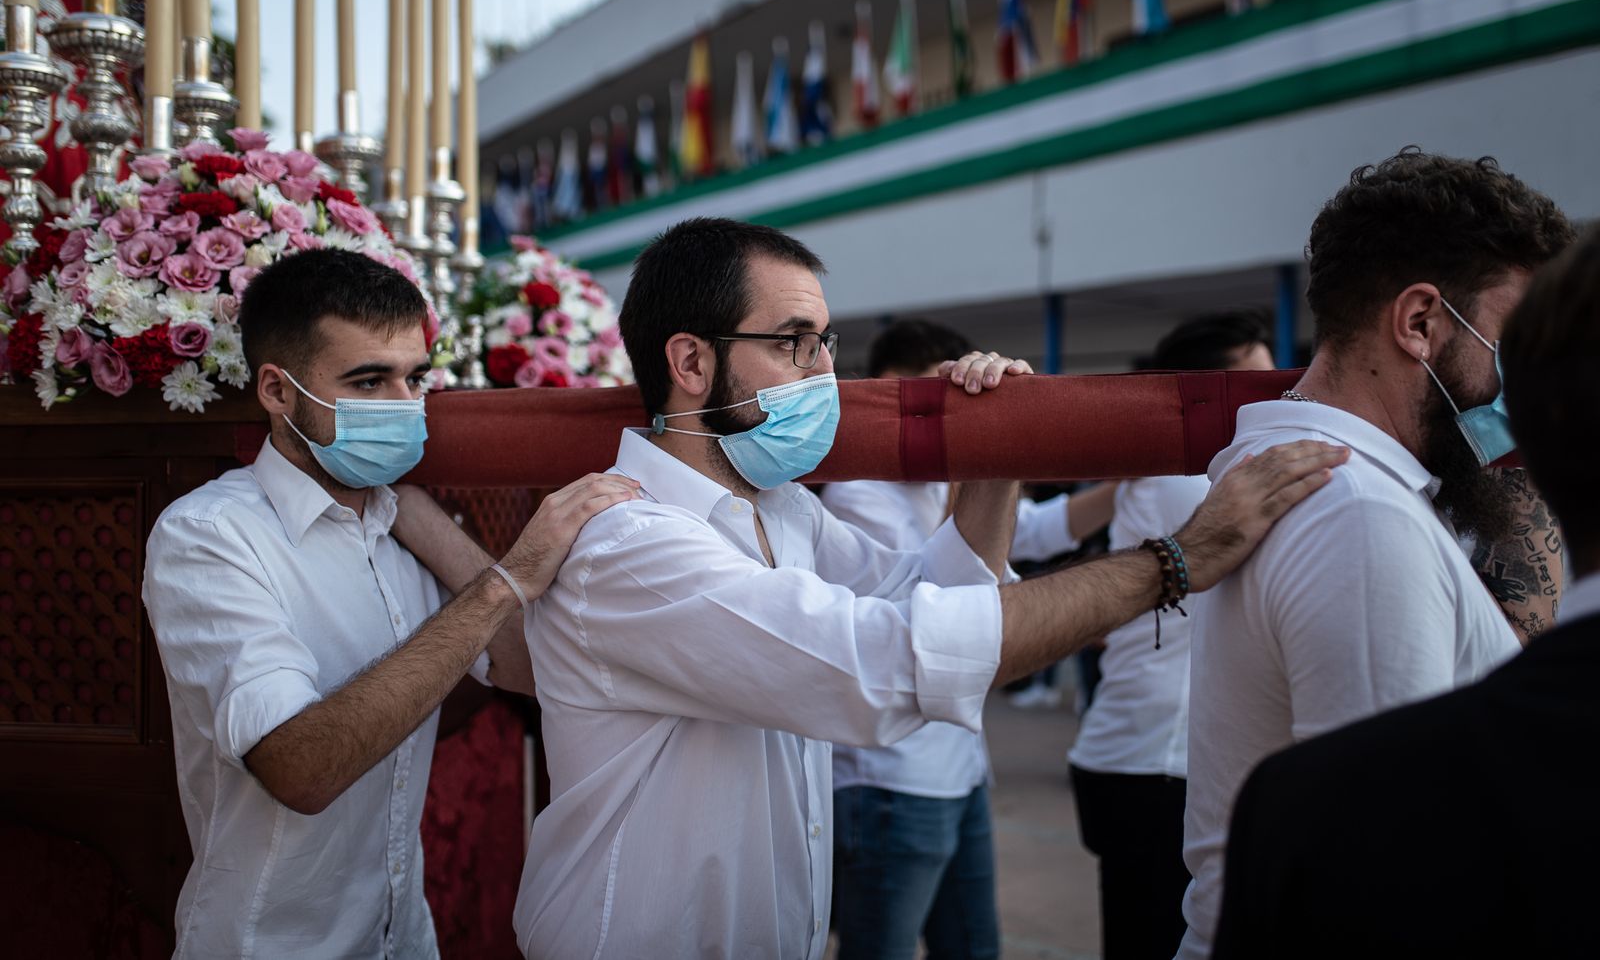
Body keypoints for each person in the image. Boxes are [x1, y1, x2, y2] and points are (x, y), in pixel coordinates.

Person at [396, 216, 1340, 960]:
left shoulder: (787, 514)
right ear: (690, 362)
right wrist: (1174, 563)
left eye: (826, 342)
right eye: (795, 343)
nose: (825, 374)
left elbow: (934, 592)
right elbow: (890, 662)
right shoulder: (630, 544)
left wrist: (994, 453)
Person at [142, 249, 637, 958]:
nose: (405, 406)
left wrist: (416, 513)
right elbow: (301, 770)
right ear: (279, 393)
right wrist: (507, 578)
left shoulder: (400, 525)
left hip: (401, 936)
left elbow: (529, 668)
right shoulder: (209, 537)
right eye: (369, 380)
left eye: (415, 379)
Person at [1175, 150, 1573, 960]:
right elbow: (1389, 869)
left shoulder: (1328, 484)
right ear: (1421, 322)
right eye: (1516, 340)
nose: (1529, 377)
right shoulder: (1356, 517)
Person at [822, 318, 1117, 960]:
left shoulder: (931, 479)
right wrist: (974, 452)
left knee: (976, 947)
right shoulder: (857, 496)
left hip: (960, 769)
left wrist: (1122, 486)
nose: (947, 415)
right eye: (936, 399)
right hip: (890, 781)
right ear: (894, 392)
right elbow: (955, 606)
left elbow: (1028, 530)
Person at [1067, 311, 1274, 960]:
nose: (1280, 400)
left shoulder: (1186, 472)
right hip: (1149, 766)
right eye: (1258, 386)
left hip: (1144, 759)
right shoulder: (1192, 483)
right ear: (1206, 390)